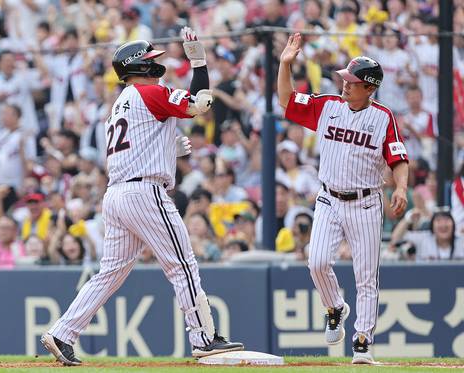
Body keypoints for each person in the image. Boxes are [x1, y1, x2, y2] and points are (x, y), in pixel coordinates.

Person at [41, 28, 243, 366]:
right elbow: (199, 104)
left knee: (110, 273)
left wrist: (166, 149)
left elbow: (138, 141)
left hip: (117, 194)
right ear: (139, 67)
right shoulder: (148, 92)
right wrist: (200, 63)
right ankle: (204, 338)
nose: (155, 65)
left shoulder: (119, 104)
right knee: (181, 266)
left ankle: (63, 332)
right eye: (149, 61)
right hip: (144, 192)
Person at [277, 33, 409, 364]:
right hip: (328, 199)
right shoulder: (327, 106)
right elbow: (286, 100)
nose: (345, 85)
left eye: (352, 82)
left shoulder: (383, 117)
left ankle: (362, 340)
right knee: (317, 261)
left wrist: (402, 188)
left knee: (366, 276)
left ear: (370, 87)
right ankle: (335, 306)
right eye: (345, 80)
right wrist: (284, 64)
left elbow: (397, 157)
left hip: (365, 202)